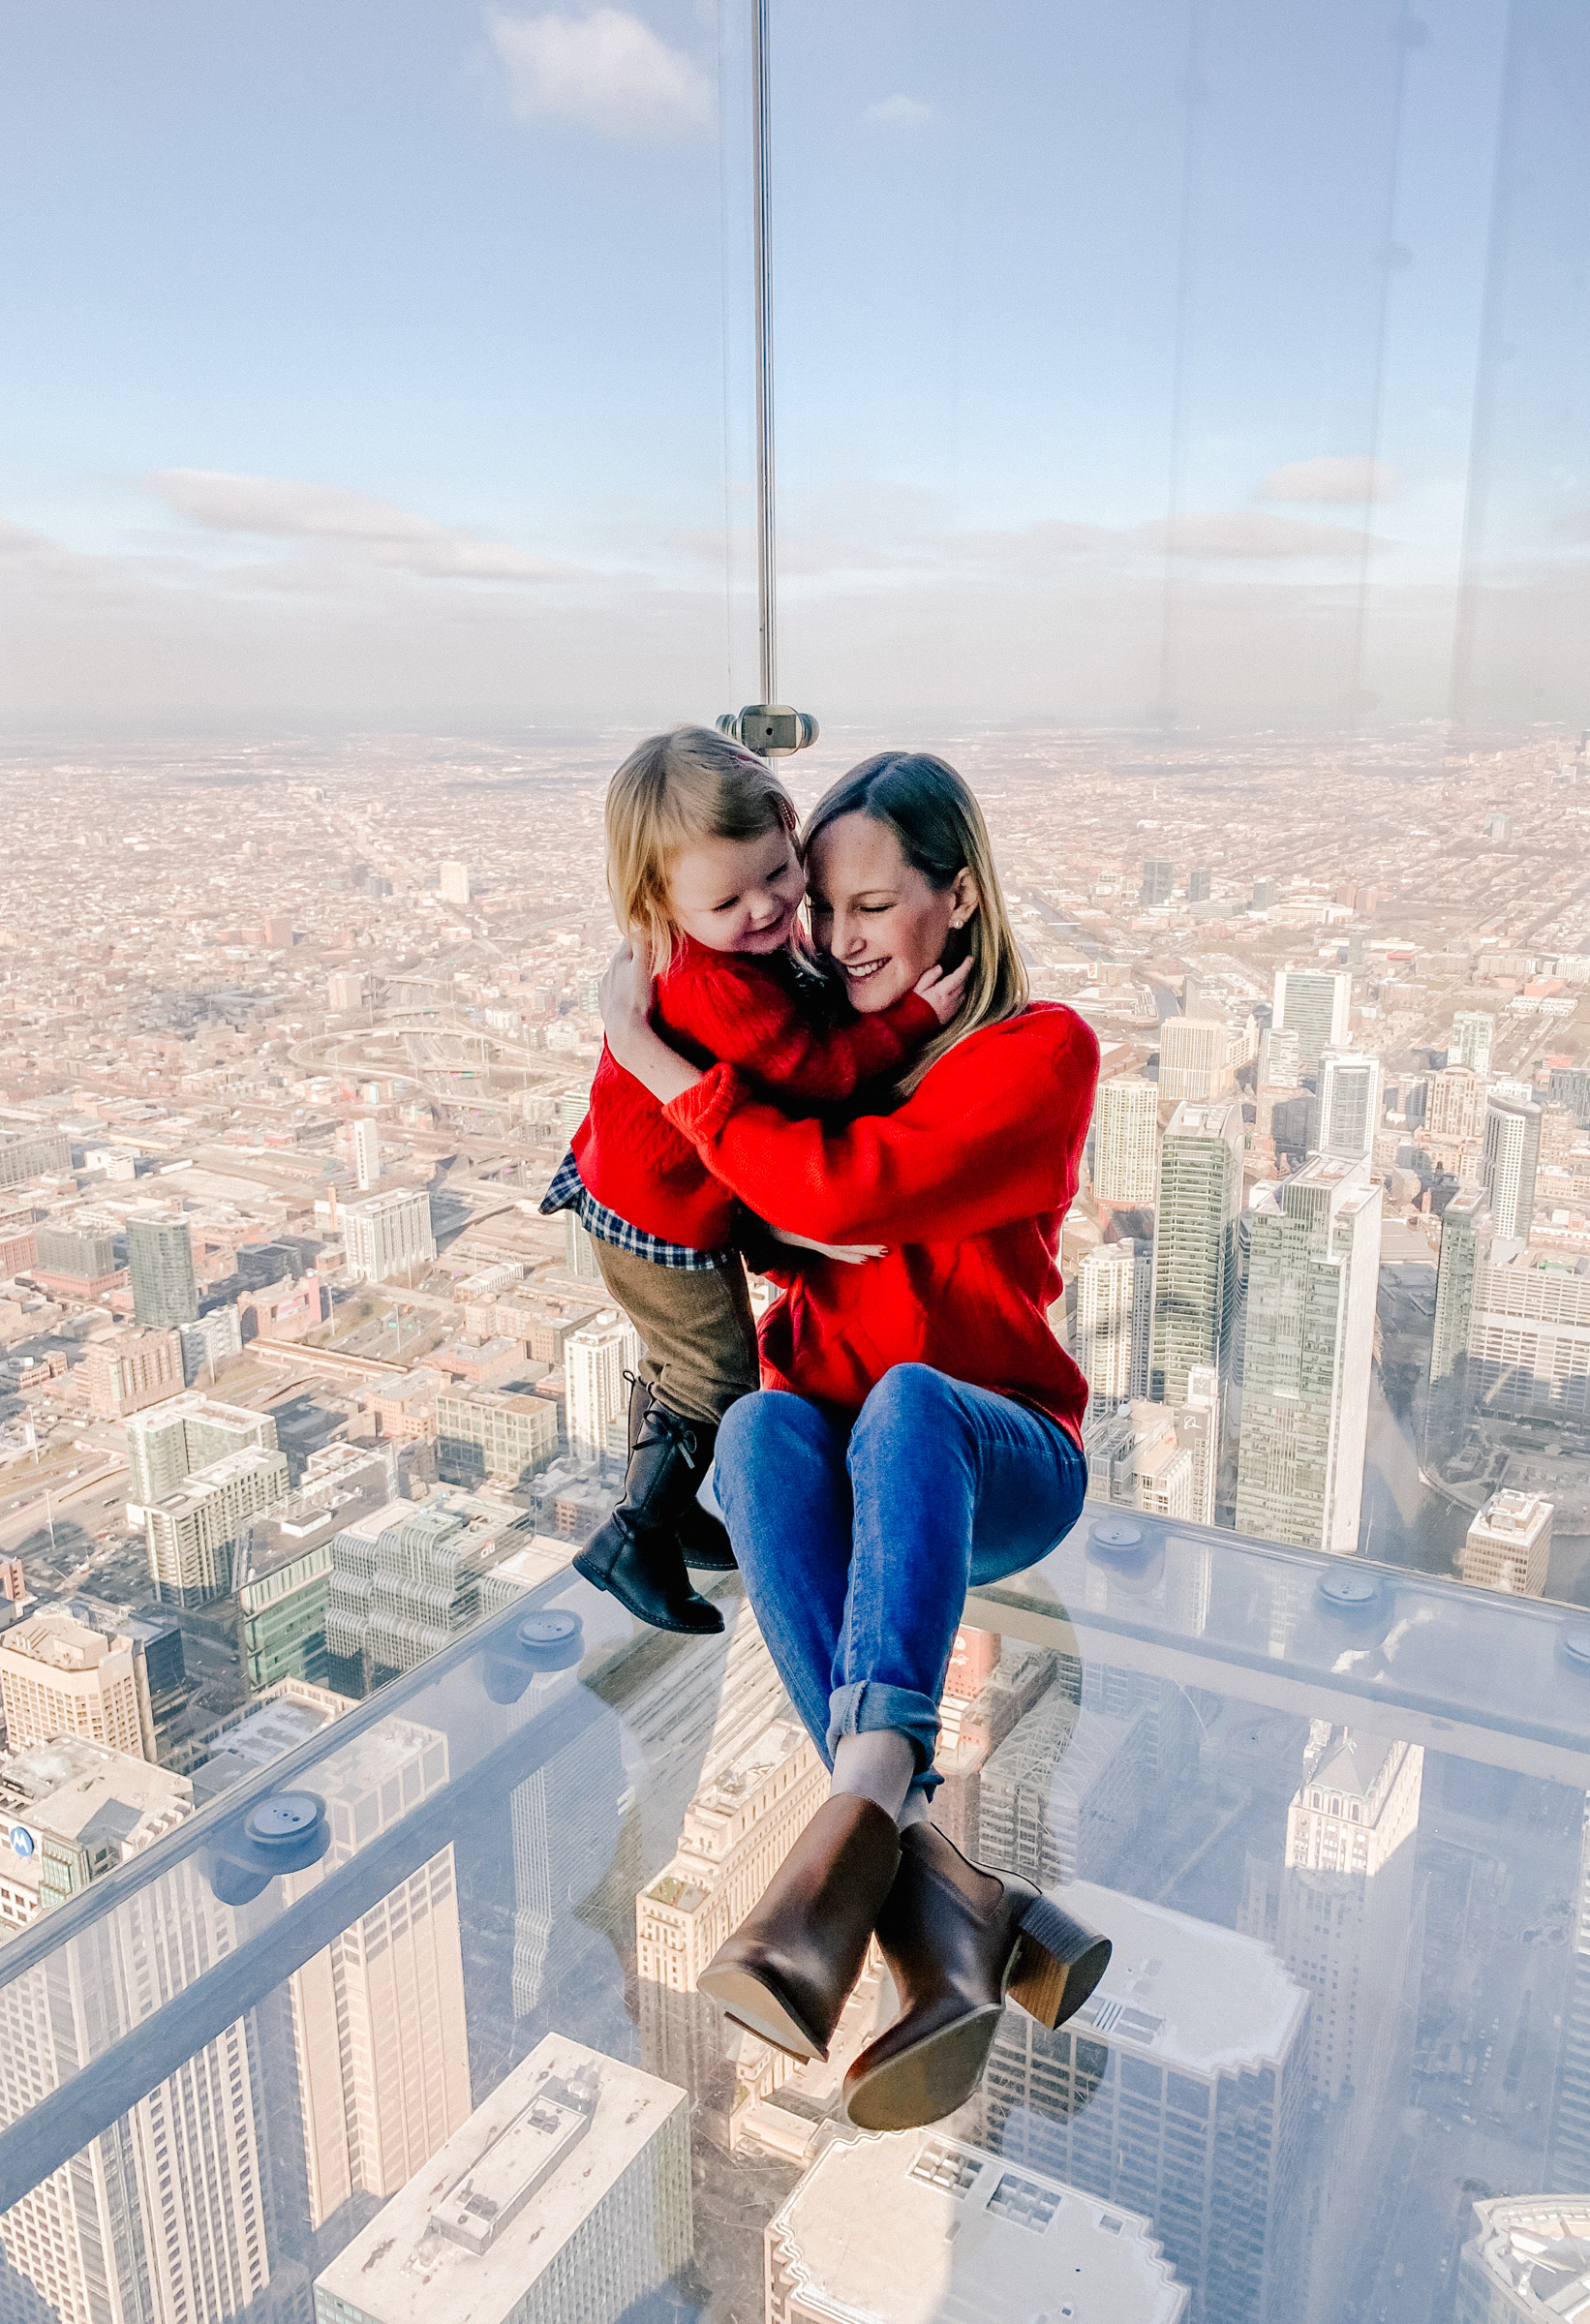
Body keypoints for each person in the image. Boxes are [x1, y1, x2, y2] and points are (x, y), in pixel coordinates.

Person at [597, 748, 1112, 2135]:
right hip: (849, 1451)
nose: (835, 939)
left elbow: (847, 1195)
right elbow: (742, 1206)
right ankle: (945, 1901)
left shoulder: (1037, 1050)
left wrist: (647, 1055)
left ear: (960, 897)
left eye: (874, 906)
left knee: (904, 1405)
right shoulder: (820, 1050)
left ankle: (871, 1793)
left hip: (995, 1454)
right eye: (820, 908)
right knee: (763, 1425)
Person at [542, 725, 968, 1637]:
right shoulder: (714, 983)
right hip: (664, 1215)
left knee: (675, 1363)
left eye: (779, 874)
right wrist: (904, 1026)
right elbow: (811, 1071)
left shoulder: (721, 950)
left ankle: (667, 1509)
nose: (769, 909)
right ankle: (637, 1536)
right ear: (661, 904)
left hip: (629, 1197)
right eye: (728, 899)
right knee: (722, 1375)